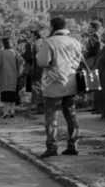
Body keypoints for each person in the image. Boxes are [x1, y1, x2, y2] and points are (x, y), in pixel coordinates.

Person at [36, 16, 84, 157]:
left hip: (53, 85)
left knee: (51, 117)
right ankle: (73, 145)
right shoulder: (75, 42)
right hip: (71, 83)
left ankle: (52, 147)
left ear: (53, 27)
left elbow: (43, 62)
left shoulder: (49, 42)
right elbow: (78, 61)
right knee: (71, 115)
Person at [0, 37, 23, 119]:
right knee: (12, 95)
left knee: (6, 96)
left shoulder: (0, 53)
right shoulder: (15, 53)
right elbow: (21, 63)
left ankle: (6, 112)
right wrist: (19, 74)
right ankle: (11, 112)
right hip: (13, 77)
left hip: (4, 78)